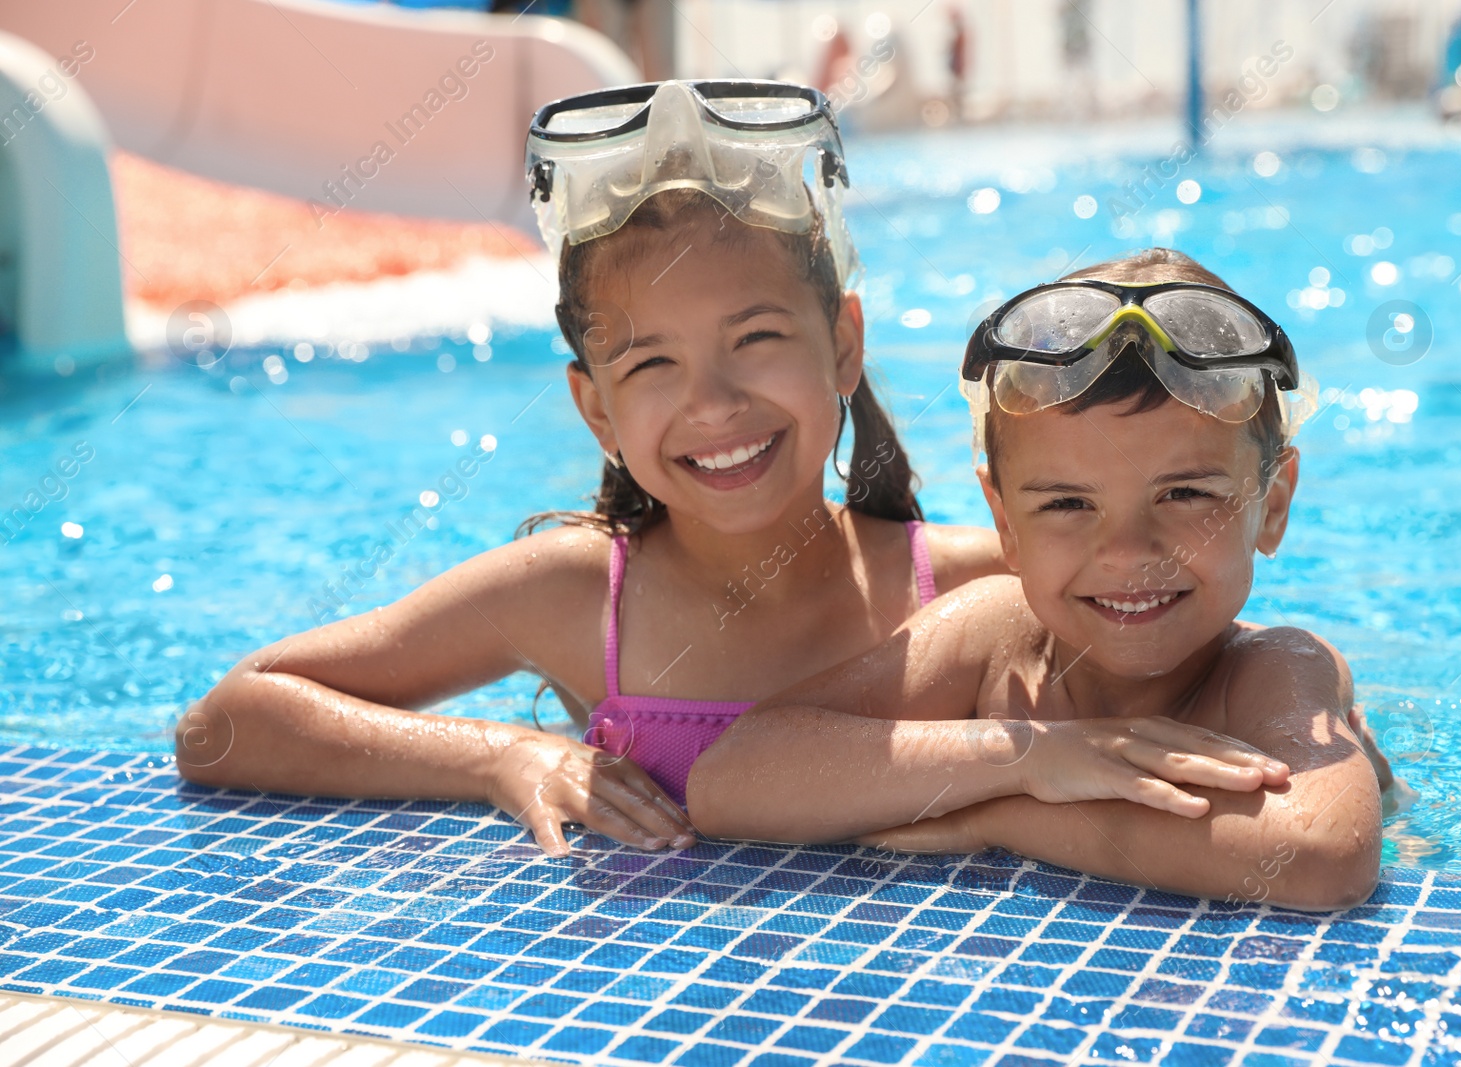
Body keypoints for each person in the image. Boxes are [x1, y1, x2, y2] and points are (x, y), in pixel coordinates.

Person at [174, 80, 1020, 858]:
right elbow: (227, 722)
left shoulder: (968, 589)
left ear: (843, 343)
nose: (714, 403)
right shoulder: (575, 597)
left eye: (756, 338)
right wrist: (501, 754)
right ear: (598, 410)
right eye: (653, 364)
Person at [688, 248, 1387, 911]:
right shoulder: (994, 639)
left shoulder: (1273, 669)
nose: (1126, 550)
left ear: (1274, 505)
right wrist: (1027, 754)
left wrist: (1002, 814)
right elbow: (727, 781)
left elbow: (1328, 855)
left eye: (1185, 495)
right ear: (1005, 522)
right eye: (1067, 503)